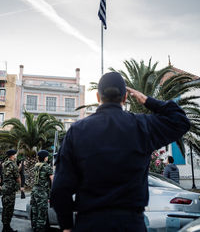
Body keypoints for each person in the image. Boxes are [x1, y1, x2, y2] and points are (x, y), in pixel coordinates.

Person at [51, 72, 190, 232]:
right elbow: (180, 121)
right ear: (125, 97)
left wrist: (67, 226)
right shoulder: (142, 126)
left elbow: (60, 189)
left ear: (98, 97)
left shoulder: (77, 131)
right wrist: (146, 100)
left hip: (89, 224)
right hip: (131, 224)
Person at [30, 150, 53, 232]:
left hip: (34, 191)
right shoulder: (47, 166)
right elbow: (52, 179)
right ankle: (40, 230)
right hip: (42, 192)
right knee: (42, 213)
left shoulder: (36, 166)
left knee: (35, 212)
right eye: (47, 156)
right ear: (45, 157)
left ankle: (34, 228)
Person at [1, 149, 20, 232]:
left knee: (5, 208)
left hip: (5, 188)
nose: (16, 155)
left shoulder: (4, 163)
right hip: (11, 189)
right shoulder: (13, 164)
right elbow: (17, 177)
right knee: (10, 208)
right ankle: (7, 228)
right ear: (12, 155)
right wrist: (19, 185)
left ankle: (5, 227)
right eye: (15, 154)